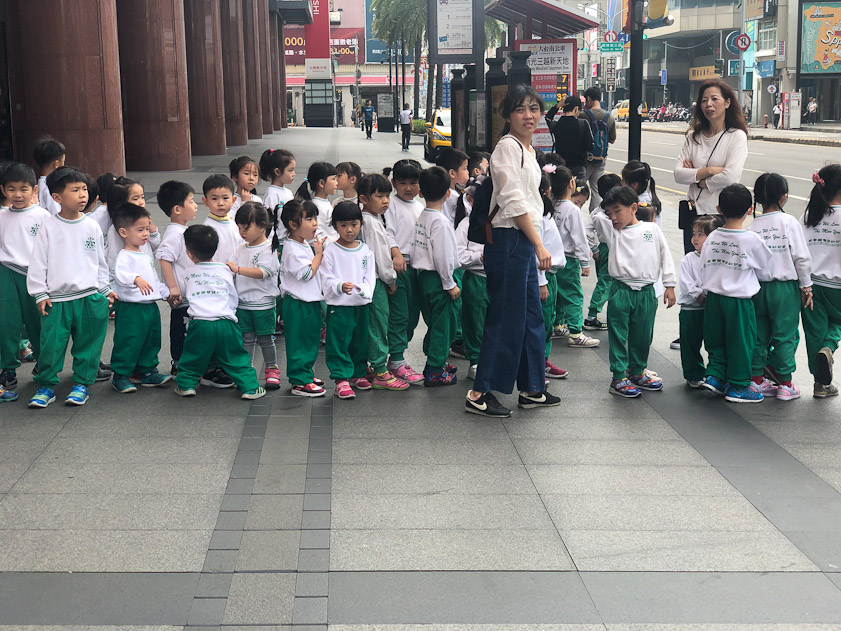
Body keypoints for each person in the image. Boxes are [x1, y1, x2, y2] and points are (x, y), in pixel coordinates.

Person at [466, 84, 561, 418]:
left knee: (531, 316)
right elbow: (512, 199)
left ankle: (533, 386)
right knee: (506, 318)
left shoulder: (528, 150)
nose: (528, 115)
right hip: (509, 239)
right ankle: (480, 392)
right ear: (507, 116)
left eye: (534, 109)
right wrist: (538, 243)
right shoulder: (507, 147)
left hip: (520, 238)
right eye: (520, 109)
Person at [26, 166, 116, 408]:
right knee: (51, 346)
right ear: (57, 197)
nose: (82, 194)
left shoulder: (92, 226)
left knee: (88, 344)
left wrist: (105, 289)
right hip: (57, 299)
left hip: (89, 296)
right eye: (75, 190)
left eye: (84, 189)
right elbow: (38, 262)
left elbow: (100, 261)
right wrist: (40, 293)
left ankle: (81, 384)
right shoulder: (49, 226)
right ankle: (46, 386)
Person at [173, 225, 265, 400]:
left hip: (200, 322)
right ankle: (251, 388)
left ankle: (186, 385)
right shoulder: (224, 269)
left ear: (190, 254)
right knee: (236, 357)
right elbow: (232, 295)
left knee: (193, 355)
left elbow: (187, 294)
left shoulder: (189, 272)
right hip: (225, 322)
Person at [699, 183, 773, 403]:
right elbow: (764, 266)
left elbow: (704, 263)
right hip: (738, 301)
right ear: (750, 209)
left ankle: (715, 376)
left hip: (714, 298)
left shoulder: (712, 236)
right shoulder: (751, 239)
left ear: (719, 208)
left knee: (716, 339)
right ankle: (739, 386)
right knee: (741, 341)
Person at [601, 185, 676, 398]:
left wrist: (669, 285)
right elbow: (595, 219)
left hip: (646, 292)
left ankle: (637, 371)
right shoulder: (612, 231)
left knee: (643, 334)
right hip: (621, 290)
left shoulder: (651, 230)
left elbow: (665, 256)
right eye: (609, 213)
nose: (613, 217)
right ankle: (618, 377)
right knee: (617, 334)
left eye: (618, 211)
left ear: (634, 208)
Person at [746, 173, 812, 400]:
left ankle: (756, 380)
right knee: (786, 335)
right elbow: (801, 258)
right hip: (785, 290)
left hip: (758, 289)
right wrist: (807, 287)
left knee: (759, 336)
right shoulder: (789, 222)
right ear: (784, 197)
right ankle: (785, 383)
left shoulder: (753, 226)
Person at [674, 79, 749, 254]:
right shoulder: (693, 137)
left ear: (727, 102)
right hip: (693, 216)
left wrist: (697, 179)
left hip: (719, 216)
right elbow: (678, 174)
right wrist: (709, 171)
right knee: (693, 266)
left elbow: (731, 177)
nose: (709, 104)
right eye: (704, 100)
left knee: (717, 269)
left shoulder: (736, 136)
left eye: (715, 99)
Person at [109, 203, 172, 393]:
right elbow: (120, 274)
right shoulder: (124, 255)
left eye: (147, 229)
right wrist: (135, 279)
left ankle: (147, 371)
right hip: (131, 308)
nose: (146, 234)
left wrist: (164, 291)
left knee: (151, 339)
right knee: (129, 340)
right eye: (140, 230)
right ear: (123, 232)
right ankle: (120, 374)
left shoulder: (143, 253)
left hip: (149, 306)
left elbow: (152, 279)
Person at [0, 163, 51, 392]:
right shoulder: (2, 216)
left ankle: (44, 364)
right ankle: (8, 369)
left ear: (34, 190)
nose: (17, 194)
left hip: (35, 276)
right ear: (3, 190)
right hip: (6, 273)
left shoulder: (42, 216)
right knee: (6, 323)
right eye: (11, 189)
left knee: (38, 322)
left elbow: (52, 248)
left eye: (23, 189)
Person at [357, 174, 409, 391]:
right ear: (364, 199)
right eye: (379, 196)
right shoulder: (371, 223)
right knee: (379, 324)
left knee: (374, 324)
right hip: (376, 281)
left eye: (387, 195)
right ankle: (380, 370)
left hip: (369, 280)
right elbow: (380, 256)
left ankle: (371, 365)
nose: (386, 200)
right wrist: (391, 279)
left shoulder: (374, 218)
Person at [410, 166, 460, 386]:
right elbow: (443, 256)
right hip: (439, 279)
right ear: (448, 193)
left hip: (423, 277)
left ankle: (434, 362)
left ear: (421, 192)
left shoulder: (422, 216)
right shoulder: (440, 222)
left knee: (434, 322)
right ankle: (435, 370)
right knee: (444, 325)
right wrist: (449, 283)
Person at [320, 201, 375, 399]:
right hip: (339, 305)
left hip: (360, 304)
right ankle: (341, 378)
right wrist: (339, 286)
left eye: (353, 224)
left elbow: (370, 276)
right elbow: (326, 277)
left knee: (360, 340)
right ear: (335, 226)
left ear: (360, 224)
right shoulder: (331, 250)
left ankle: (359, 372)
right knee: (339, 342)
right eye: (343, 225)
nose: (349, 230)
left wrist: (364, 290)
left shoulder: (365, 250)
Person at [228, 202, 282, 390]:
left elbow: (263, 272)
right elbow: (230, 266)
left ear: (261, 226)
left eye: (246, 227)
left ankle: (272, 368)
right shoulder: (241, 248)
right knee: (247, 339)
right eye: (240, 228)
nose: (242, 232)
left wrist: (239, 269)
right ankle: (247, 370)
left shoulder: (268, 249)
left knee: (266, 339)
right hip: (243, 303)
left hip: (264, 304)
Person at [279, 200, 327, 397]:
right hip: (298, 304)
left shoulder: (302, 243)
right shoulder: (292, 249)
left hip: (308, 302)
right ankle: (300, 381)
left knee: (310, 339)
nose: (315, 223)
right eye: (309, 219)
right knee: (299, 342)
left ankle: (306, 374)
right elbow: (307, 274)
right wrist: (319, 255)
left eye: (315, 218)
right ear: (293, 225)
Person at [801, 164, 841, 398]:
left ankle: (820, 384)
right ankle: (830, 347)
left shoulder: (807, 215)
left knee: (814, 332)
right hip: (837, 286)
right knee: (837, 323)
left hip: (810, 285)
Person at [383, 159, 425, 385]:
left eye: (414, 183)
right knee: (399, 315)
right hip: (399, 267)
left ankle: (396, 357)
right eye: (403, 183)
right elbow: (388, 234)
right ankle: (396, 360)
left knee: (411, 316)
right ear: (393, 183)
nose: (408, 188)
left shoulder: (420, 207)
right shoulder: (390, 206)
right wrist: (396, 254)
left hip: (417, 269)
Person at [548, 166, 598, 348]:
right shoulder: (572, 210)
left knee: (558, 294)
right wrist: (585, 262)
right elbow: (579, 238)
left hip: (553, 258)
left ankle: (557, 324)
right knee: (574, 295)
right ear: (571, 184)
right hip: (568, 259)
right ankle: (576, 332)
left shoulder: (551, 204)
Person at [155, 180, 198, 376]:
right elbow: (164, 258)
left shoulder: (182, 232)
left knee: (188, 331)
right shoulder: (174, 234)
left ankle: (186, 363)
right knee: (181, 331)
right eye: (191, 201)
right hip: (180, 296)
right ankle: (179, 364)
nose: (196, 205)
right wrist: (173, 288)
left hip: (188, 295)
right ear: (177, 209)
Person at [678, 215, 723, 388]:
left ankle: (714, 373)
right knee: (690, 343)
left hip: (711, 309)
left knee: (714, 342)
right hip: (691, 309)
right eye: (694, 234)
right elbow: (686, 282)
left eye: (700, 234)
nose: (695, 238)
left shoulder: (717, 258)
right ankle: (694, 373)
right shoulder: (689, 258)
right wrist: (699, 294)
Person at [537, 173, 569, 380]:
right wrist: (541, 282)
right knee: (542, 321)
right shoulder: (537, 218)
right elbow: (535, 252)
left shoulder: (544, 214)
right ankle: (538, 362)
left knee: (547, 321)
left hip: (552, 275)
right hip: (544, 276)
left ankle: (543, 360)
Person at [454, 183, 486, 380]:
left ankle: (490, 360)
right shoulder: (466, 224)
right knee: (475, 323)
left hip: (500, 280)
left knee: (494, 323)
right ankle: (475, 360)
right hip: (476, 279)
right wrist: (478, 257)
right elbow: (457, 256)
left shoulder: (501, 222)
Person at [583, 173, 620, 331]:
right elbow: (586, 230)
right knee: (605, 282)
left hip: (603, 249)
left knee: (607, 282)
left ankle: (612, 313)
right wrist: (594, 247)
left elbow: (586, 229)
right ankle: (592, 316)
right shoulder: (604, 213)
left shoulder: (598, 210)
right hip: (612, 250)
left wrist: (595, 248)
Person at [581, 87, 616, 212]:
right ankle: (594, 220)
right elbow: (612, 139)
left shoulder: (583, 115)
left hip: (586, 159)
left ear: (589, 99)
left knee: (579, 187)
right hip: (601, 159)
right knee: (596, 190)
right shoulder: (609, 117)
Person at [546, 95, 593, 180]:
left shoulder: (556, 125)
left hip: (562, 168)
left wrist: (557, 106)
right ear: (576, 109)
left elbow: (548, 117)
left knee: (563, 191)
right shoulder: (583, 124)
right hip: (579, 167)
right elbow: (590, 146)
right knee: (578, 191)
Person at [201, 174, 242, 265]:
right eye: (214, 199)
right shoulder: (207, 228)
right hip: (218, 275)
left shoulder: (234, 224)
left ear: (233, 200)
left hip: (237, 273)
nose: (220, 203)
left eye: (225, 198)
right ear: (205, 202)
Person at [296, 161, 338, 242]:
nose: (337, 183)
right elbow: (316, 232)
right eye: (333, 179)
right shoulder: (318, 206)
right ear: (321, 183)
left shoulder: (323, 202)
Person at [436, 148, 470, 226]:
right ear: (452, 173)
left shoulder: (440, 192)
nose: (468, 172)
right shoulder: (453, 196)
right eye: (465, 168)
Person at [32, 135, 65, 216]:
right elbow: (57, 213)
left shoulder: (39, 184)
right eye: (63, 161)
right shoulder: (50, 187)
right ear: (56, 164)